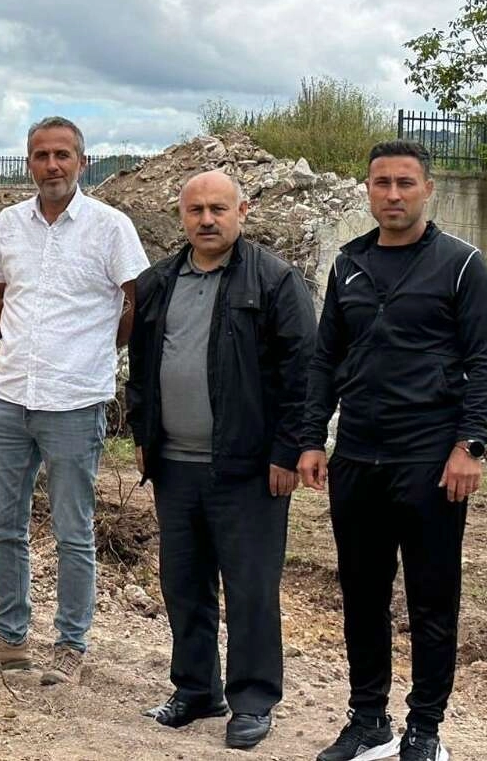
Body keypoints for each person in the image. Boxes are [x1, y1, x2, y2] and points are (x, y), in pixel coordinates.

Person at [300, 140, 487, 761]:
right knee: (362, 596)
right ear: (367, 189)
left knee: (432, 599)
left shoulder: (461, 265)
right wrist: (311, 437)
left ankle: (425, 729)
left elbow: (484, 362)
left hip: (429, 460)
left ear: (427, 190)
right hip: (358, 457)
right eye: (381, 183)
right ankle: (368, 720)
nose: (392, 194)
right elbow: (326, 359)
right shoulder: (349, 265)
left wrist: (470, 444)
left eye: (405, 183)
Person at [0, 116, 150, 685]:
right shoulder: (10, 224)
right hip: (12, 396)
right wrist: (23, 335)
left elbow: (138, 303)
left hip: (75, 400)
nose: (52, 165)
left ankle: (70, 644)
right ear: (30, 163)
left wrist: (95, 345)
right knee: (3, 524)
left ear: (82, 162)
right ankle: (10, 638)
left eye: (63, 155)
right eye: (41, 155)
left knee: (72, 529)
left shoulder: (111, 227)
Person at [126, 170, 315, 749]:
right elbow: (141, 366)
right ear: (181, 216)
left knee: (250, 588)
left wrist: (288, 450)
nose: (207, 220)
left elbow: (302, 372)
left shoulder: (274, 280)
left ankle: (253, 700)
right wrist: (143, 431)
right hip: (175, 465)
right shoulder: (158, 281)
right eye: (196, 210)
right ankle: (195, 689)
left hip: (250, 468)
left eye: (218, 209)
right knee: (183, 583)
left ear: (242, 211)